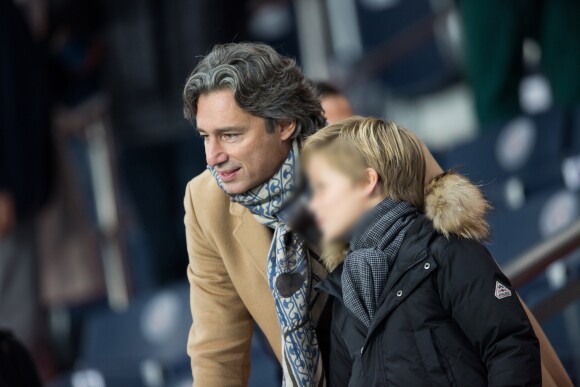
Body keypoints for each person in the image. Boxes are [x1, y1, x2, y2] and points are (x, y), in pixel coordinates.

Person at [181, 42, 569, 387]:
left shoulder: (371, 149)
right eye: (204, 137)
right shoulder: (205, 202)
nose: (213, 156)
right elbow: (217, 352)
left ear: (283, 124)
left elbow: (469, 276)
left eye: (230, 135)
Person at [304, 116, 541, 386]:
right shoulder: (344, 295)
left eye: (321, 188)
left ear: (366, 181)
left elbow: (510, 346)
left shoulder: (446, 251)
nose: (312, 205)